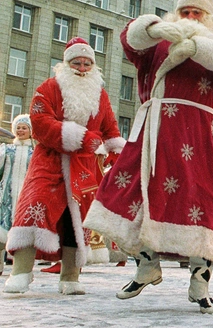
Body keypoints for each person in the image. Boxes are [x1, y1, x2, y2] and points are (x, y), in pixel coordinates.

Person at [84, 0, 213, 314]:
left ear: (208, 18)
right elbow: (129, 39)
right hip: (152, 131)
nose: (188, 16)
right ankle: (146, 265)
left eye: (195, 12)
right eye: (184, 11)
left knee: (199, 199)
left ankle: (200, 281)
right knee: (129, 195)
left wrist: (197, 45)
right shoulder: (157, 45)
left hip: (197, 135)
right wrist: (154, 26)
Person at [3, 38, 124, 294]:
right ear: (66, 64)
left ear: (93, 66)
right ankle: (21, 272)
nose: (82, 68)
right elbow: (40, 121)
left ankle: (70, 277)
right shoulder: (48, 88)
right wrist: (80, 137)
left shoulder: (100, 94)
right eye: (77, 62)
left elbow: (110, 126)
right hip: (49, 161)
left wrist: (118, 150)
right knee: (33, 208)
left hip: (84, 167)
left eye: (87, 63)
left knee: (76, 221)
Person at [0, 114, 34, 272]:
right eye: (18, 128)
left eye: (24, 128)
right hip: (6, 193)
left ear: (30, 131)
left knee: (21, 229)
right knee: (2, 228)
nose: (20, 131)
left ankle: (20, 268)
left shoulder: (34, 152)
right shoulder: (6, 149)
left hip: (27, 195)